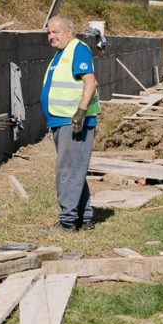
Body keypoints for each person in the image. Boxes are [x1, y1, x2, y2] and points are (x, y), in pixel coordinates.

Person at [41, 15, 101, 232]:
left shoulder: (78, 49)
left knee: (67, 171)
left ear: (69, 31)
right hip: (62, 119)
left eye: (55, 31)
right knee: (75, 169)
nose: (51, 36)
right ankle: (84, 218)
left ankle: (67, 222)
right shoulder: (62, 54)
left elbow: (90, 81)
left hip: (73, 121)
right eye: (49, 32)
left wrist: (81, 112)